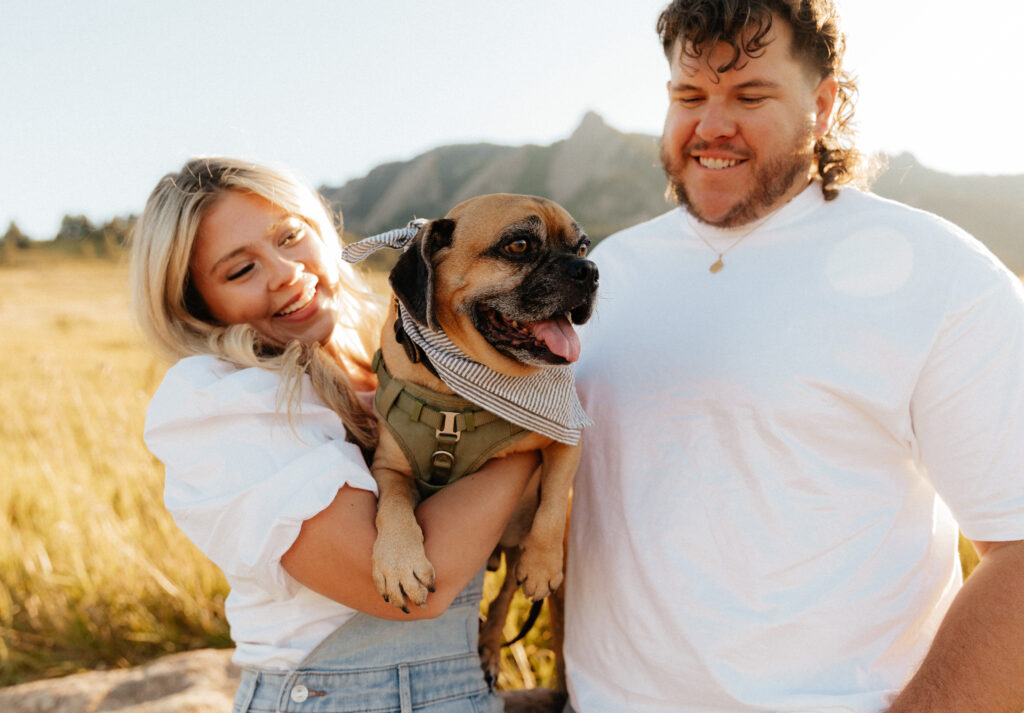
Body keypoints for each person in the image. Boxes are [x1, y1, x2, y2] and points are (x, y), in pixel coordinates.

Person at [562, 1, 1024, 712]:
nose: (711, 125)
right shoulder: (601, 277)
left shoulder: (944, 275)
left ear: (824, 102)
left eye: (750, 96)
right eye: (690, 96)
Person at [130, 157, 538, 713]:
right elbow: (409, 590)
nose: (284, 272)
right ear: (199, 307)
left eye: (290, 237)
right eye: (240, 270)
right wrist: (532, 431)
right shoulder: (225, 401)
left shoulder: (407, 358)